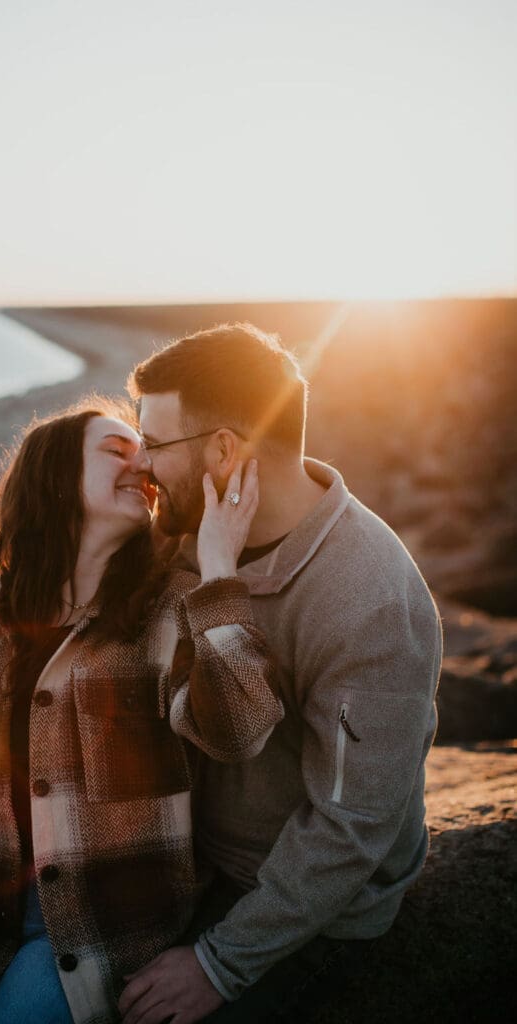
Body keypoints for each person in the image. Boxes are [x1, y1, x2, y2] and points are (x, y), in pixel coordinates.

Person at [0, 397, 284, 1024]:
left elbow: (242, 730)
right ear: (54, 479)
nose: (143, 463)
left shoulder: (172, 613)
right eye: (116, 450)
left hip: (98, 939)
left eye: (144, 451)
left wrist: (217, 568)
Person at [119, 323, 442, 1024]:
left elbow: (351, 820)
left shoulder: (367, 596)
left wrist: (219, 962)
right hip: (194, 861)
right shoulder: (180, 535)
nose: (142, 464)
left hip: (302, 903)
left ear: (224, 450)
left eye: (155, 444)